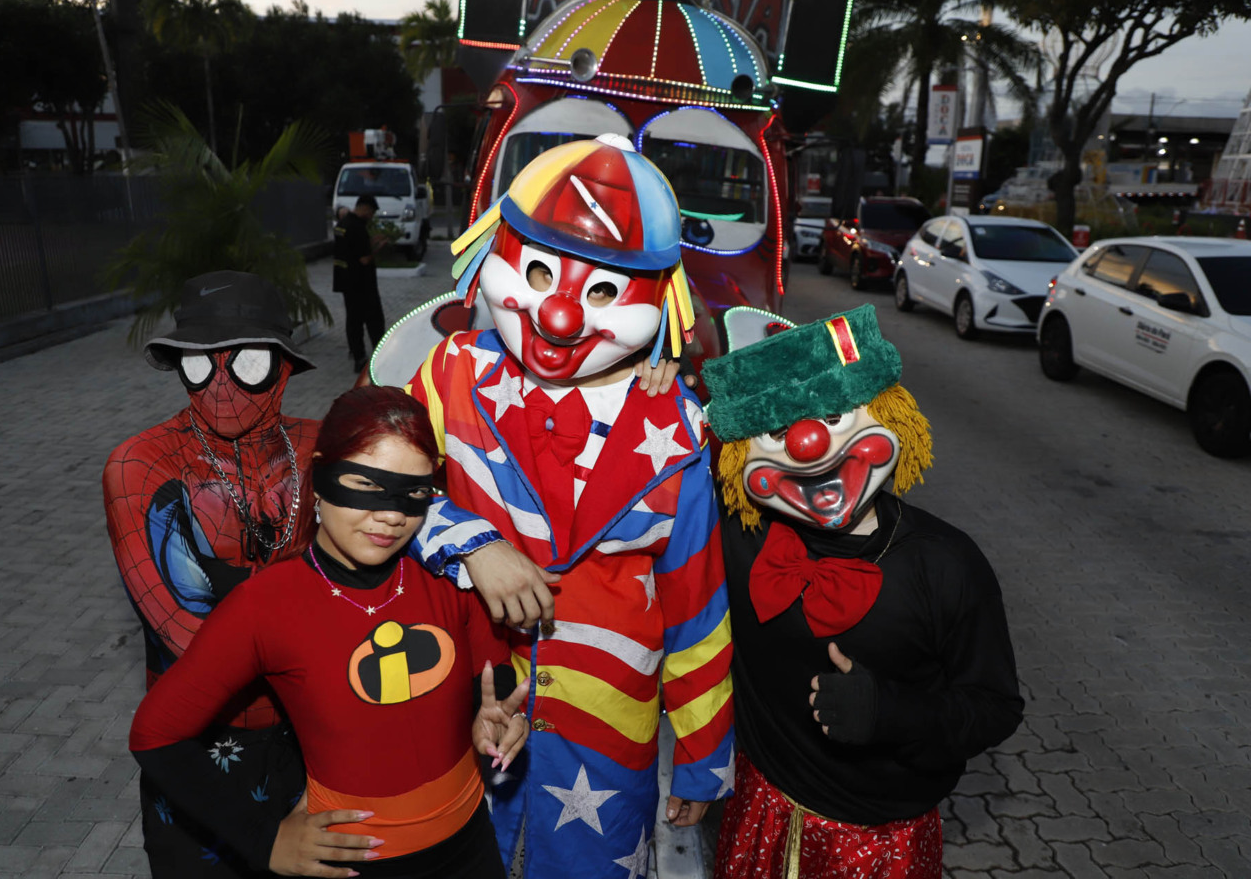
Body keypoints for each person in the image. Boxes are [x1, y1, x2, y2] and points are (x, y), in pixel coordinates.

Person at [398, 134, 735, 878]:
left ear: (659, 297)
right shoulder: (452, 375)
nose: (557, 317)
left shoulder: (676, 428)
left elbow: (697, 601)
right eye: (541, 271)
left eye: (604, 292)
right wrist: (471, 544)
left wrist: (705, 759)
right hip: (463, 702)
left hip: (609, 731)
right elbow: (380, 503)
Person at [130, 386, 532, 879]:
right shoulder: (265, 606)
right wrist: (264, 839)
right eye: (367, 485)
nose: (391, 514)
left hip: (470, 850)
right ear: (321, 476)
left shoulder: (450, 579)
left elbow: (490, 684)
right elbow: (155, 736)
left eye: (414, 494)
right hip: (352, 865)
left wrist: (498, 719)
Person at [701, 304, 1024, 879]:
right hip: (760, 808)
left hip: (881, 842)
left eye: (835, 415)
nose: (806, 444)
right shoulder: (738, 534)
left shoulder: (945, 563)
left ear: (890, 416)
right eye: (778, 430)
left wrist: (891, 713)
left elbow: (994, 706)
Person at [106, 271, 374, 876]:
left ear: (282, 366)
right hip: (197, 744)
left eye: (246, 362)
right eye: (200, 364)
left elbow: (414, 480)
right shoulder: (142, 464)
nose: (220, 387)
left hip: (313, 735)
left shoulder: (318, 449)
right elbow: (188, 641)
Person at [333, 194, 386, 372]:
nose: (371, 216)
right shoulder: (357, 227)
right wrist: (378, 248)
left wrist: (370, 242)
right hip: (362, 283)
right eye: (371, 212)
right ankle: (381, 355)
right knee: (374, 320)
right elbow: (364, 258)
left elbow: (352, 248)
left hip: (346, 282)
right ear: (365, 208)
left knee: (353, 320)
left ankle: (358, 356)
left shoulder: (343, 224)